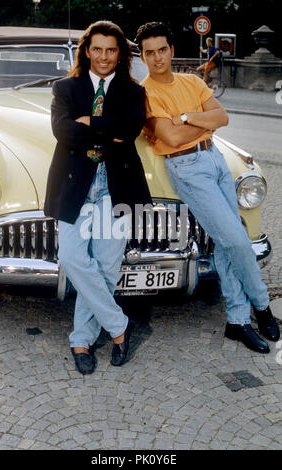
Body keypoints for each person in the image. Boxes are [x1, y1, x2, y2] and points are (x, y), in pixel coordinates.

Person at [134, 21, 280, 354]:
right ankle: (262, 305)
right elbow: (169, 139)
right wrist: (200, 121)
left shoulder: (191, 81)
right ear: (142, 56)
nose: (157, 58)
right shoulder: (144, 93)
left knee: (226, 242)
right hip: (186, 168)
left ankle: (238, 320)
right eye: (149, 53)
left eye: (162, 50)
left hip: (215, 160)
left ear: (171, 50)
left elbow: (222, 117)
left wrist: (184, 118)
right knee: (236, 240)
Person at [44, 20, 151, 375]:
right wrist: (108, 130)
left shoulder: (133, 92)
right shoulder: (65, 87)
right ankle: (120, 326)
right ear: (86, 51)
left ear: (120, 55)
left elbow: (131, 128)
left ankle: (81, 339)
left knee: (106, 267)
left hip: (116, 187)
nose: (103, 56)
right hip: (76, 186)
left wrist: (88, 124)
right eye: (97, 49)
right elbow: (63, 132)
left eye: (111, 50)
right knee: (72, 257)